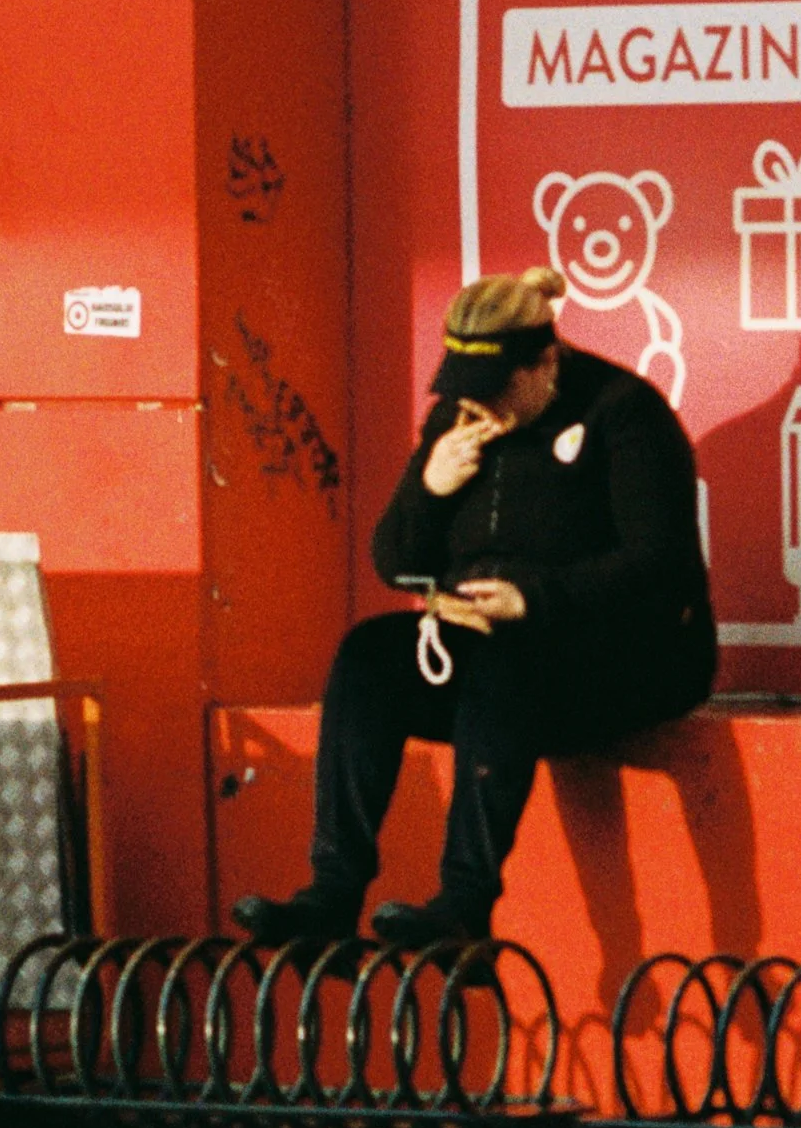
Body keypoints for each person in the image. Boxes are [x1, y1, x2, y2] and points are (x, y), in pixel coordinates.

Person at [234, 266, 717, 951]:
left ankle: (465, 903)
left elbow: (662, 567)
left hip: (623, 658)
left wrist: (535, 599)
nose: (479, 409)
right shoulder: (457, 423)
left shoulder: (622, 412)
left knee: (503, 658)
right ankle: (332, 893)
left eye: (495, 392)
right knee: (369, 655)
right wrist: (430, 488)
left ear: (545, 362)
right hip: (493, 657)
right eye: (465, 392)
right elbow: (393, 560)